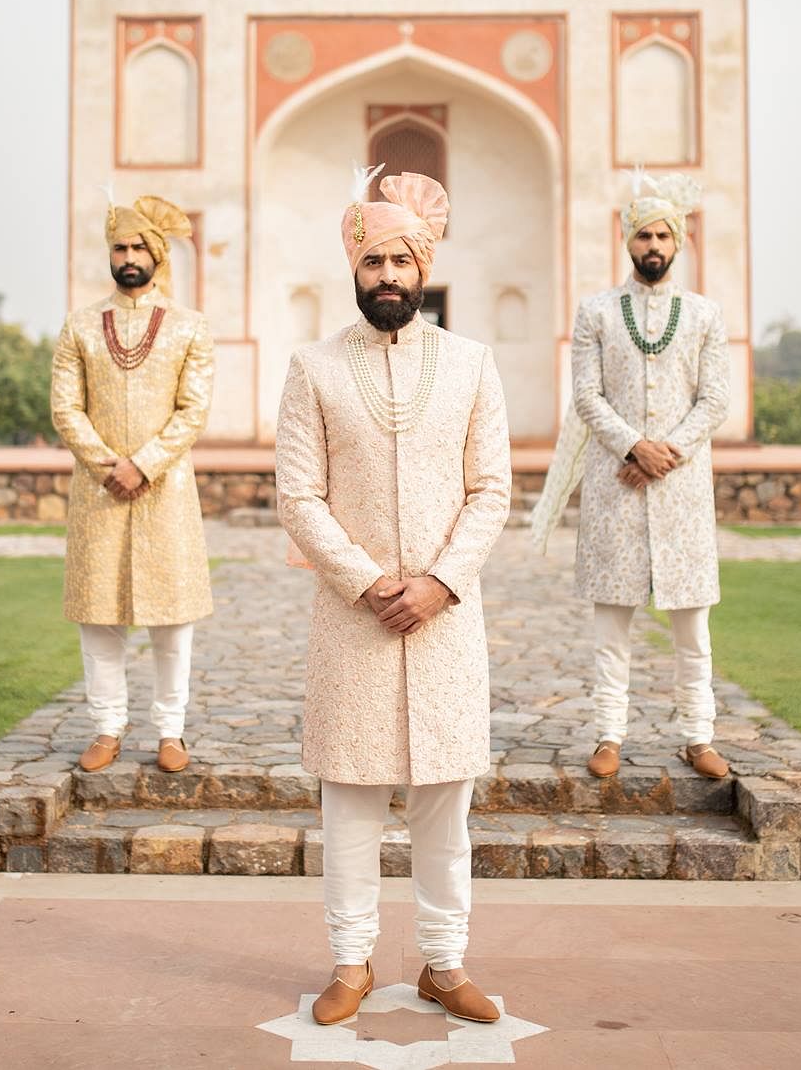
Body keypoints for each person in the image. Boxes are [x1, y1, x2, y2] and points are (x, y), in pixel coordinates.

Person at [274, 166, 510, 1027]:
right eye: (372, 261)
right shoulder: (314, 367)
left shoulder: (473, 365)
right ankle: (351, 959)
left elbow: (492, 489)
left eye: (400, 262)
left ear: (423, 266)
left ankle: (446, 963)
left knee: (447, 808)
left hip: (446, 622)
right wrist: (374, 582)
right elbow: (298, 495)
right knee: (351, 806)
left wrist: (440, 582)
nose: (387, 277)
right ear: (354, 266)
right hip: (356, 621)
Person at [529, 172, 732, 782]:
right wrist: (634, 447)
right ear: (627, 241)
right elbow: (587, 397)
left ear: (680, 242)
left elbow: (715, 399)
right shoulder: (596, 311)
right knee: (610, 629)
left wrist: (666, 451)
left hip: (681, 487)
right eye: (644, 234)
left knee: (692, 632)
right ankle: (609, 735)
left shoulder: (703, 315)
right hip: (617, 484)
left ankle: (699, 736)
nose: (653, 245)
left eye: (663, 235)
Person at [49, 194, 215, 774]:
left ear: (158, 254)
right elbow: (66, 409)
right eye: (119, 247)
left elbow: (193, 410)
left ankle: (171, 732)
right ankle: (106, 728)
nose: (127, 257)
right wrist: (106, 464)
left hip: (164, 491)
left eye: (138, 247)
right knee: (100, 620)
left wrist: (143, 464)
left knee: (172, 621)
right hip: (99, 493)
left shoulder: (190, 328)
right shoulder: (79, 326)